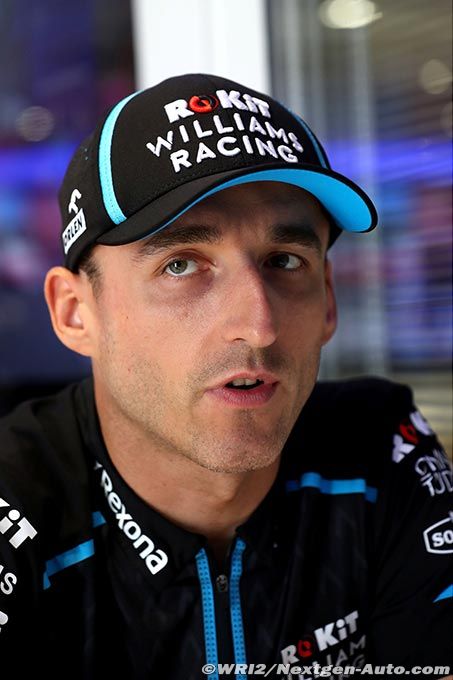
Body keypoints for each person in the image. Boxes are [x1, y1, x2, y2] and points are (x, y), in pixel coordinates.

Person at [0, 73, 451, 680]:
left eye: (284, 261)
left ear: (328, 300)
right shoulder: (18, 502)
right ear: (75, 313)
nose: (258, 326)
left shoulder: (377, 448)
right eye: (180, 265)